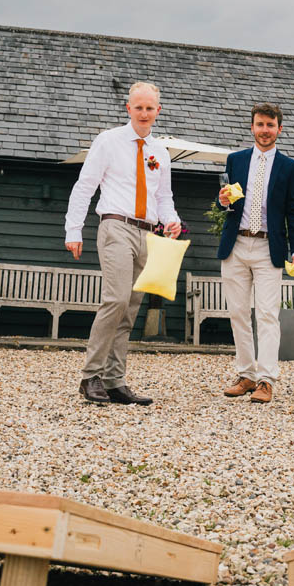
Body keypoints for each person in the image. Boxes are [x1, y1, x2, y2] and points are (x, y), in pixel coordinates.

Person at [64, 81, 182, 405]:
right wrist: (73, 230)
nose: (144, 113)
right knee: (115, 300)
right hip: (115, 226)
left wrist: (172, 219)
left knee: (129, 310)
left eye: (150, 108)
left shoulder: (160, 153)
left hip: (148, 234)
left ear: (158, 111)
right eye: (138, 107)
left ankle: (115, 382)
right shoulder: (108, 141)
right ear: (128, 108)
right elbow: (84, 186)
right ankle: (90, 377)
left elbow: (164, 197)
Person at [216, 103, 294, 404]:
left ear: (279, 129)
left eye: (270, 125)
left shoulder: (290, 168)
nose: (264, 130)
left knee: (267, 314)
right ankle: (246, 374)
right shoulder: (235, 160)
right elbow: (227, 204)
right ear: (252, 127)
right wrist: (223, 201)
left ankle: (266, 380)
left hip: (270, 247)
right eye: (259, 124)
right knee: (238, 313)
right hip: (236, 244)